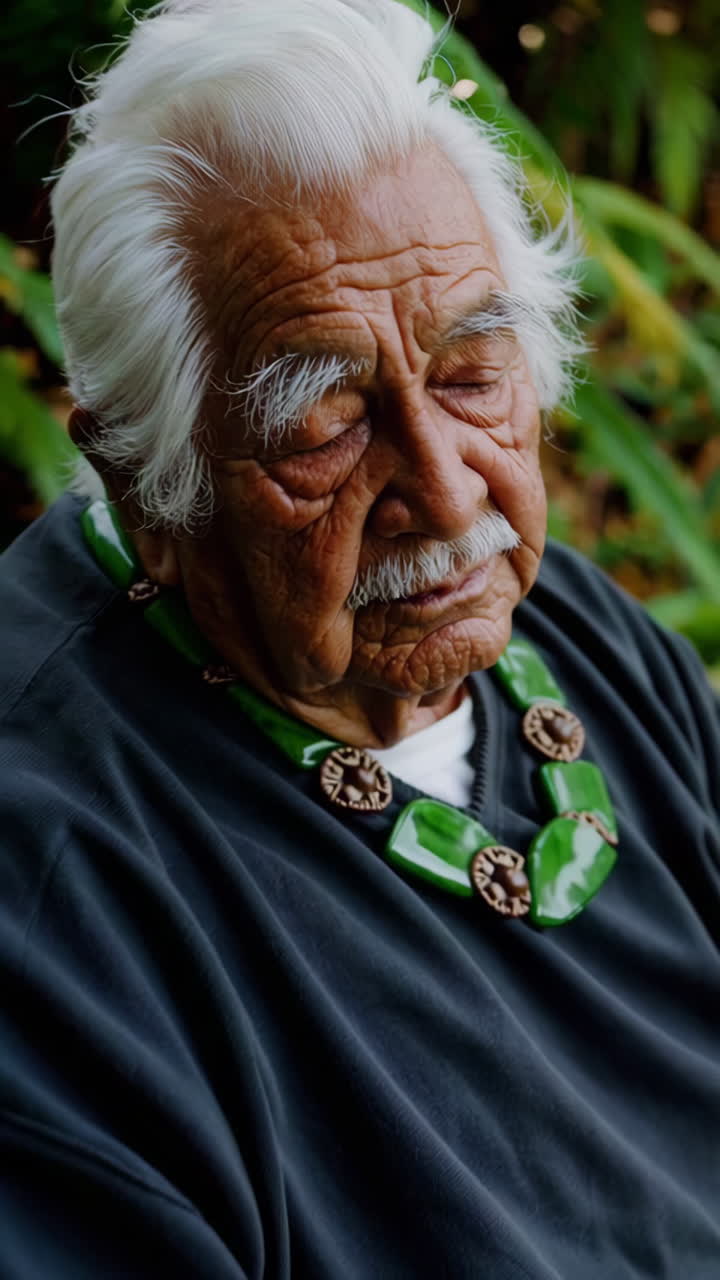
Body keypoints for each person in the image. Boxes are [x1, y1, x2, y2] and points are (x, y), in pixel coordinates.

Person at [1, 0, 719, 1274]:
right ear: (141, 483)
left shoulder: (584, 641)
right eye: (327, 422)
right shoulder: (53, 879)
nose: (448, 494)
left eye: (469, 374)